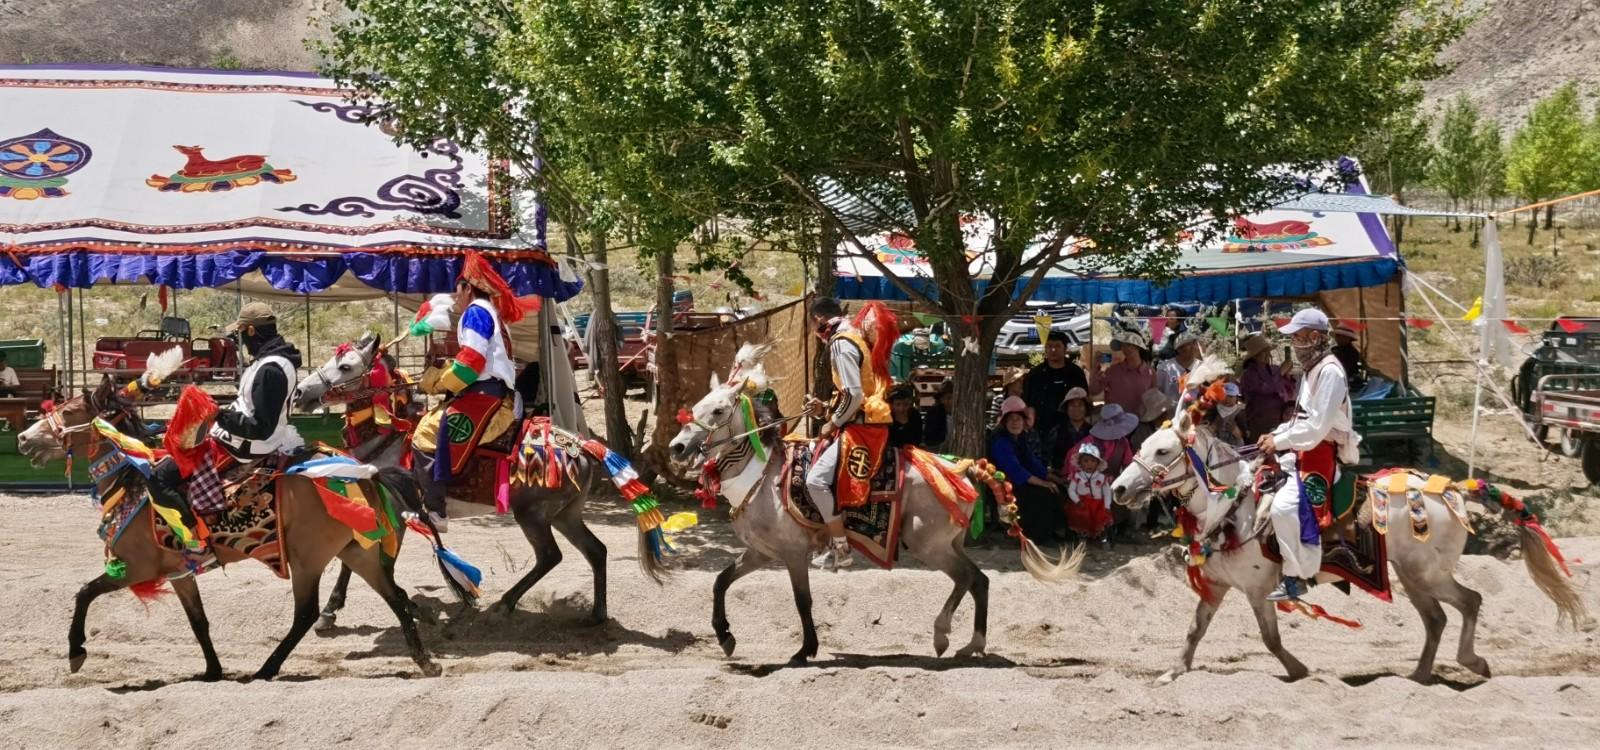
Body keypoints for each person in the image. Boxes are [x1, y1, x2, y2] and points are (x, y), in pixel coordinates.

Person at [147, 302, 303, 551]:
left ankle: (196, 540)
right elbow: (248, 408)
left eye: (240, 333)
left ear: (251, 331)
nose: (240, 340)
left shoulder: (270, 370)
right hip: (239, 438)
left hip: (245, 446)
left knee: (158, 477)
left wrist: (217, 415)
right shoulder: (269, 362)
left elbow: (260, 427)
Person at [413, 254, 537, 532]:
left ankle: (435, 511)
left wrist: (438, 382)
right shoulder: (490, 313)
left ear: (468, 287)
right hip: (490, 392)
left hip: (484, 396)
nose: (454, 296)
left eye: (457, 289)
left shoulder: (476, 312)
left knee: (425, 433)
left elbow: (471, 363)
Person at [1256, 308, 1360, 602]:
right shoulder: (1313, 369)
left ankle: (1297, 575)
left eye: (1298, 337)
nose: (1294, 343)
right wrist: (1275, 434)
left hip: (1319, 452)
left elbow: (1316, 429)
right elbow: (1300, 418)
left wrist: (1279, 441)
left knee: (1283, 508)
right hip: (1303, 446)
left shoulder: (1330, 372)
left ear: (1315, 337)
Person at [805, 298, 896, 571]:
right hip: (860, 422)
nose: (813, 330)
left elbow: (855, 396)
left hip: (861, 428)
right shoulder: (852, 337)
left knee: (815, 481)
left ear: (818, 319)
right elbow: (854, 394)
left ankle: (841, 548)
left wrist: (832, 422)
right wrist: (824, 409)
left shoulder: (841, 343)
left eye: (811, 324)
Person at [989, 396, 1062, 543]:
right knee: (1042, 494)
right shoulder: (1001, 441)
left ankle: (1052, 531)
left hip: (1019, 481)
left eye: (1018, 419)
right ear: (1004, 422)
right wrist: (1043, 483)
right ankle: (1035, 536)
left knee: (1056, 489)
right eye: (1011, 419)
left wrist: (1054, 478)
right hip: (1005, 486)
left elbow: (1032, 463)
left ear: (1024, 422)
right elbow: (1015, 470)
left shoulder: (1020, 439)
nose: (1015, 423)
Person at [1023, 331, 1088, 438]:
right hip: (1041, 431)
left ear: (1065, 349)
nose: (1053, 349)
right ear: (1045, 349)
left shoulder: (1075, 373)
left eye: (1057, 346)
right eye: (1049, 346)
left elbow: (1084, 401)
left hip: (1070, 431)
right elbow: (1028, 403)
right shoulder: (1035, 374)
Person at [1240, 333, 1296, 441]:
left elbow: (1288, 389)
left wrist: (1287, 376)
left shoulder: (1273, 369)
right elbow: (1267, 388)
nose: (1268, 354)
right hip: (1260, 421)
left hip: (1279, 418)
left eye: (1268, 351)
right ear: (1254, 356)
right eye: (1263, 352)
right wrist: (1281, 372)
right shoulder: (1248, 375)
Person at [1088, 329, 1155, 415]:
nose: (1125, 348)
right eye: (1122, 345)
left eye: (1128, 345)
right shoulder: (1113, 370)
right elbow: (1094, 390)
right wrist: (1095, 367)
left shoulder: (1150, 372)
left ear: (1138, 346)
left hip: (1141, 421)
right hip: (1116, 421)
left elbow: (1155, 400)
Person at [1063, 442, 1115, 544]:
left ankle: (1103, 537)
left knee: (1101, 519)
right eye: (1085, 461)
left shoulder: (1101, 477)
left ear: (1098, 463)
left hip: (1098, 504)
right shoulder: (1077, 476)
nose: (1089, 464)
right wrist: (1077, 500)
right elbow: (1071, 490)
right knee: (1082, 519)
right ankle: (1082, 537)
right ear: (1080, 463)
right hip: (1082, 503)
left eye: (1093, 461)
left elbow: (1107, 492)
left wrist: (1107, 505)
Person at [1047, 386, 1094, 472]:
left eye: (1080, 404)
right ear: (1067, 409)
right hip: (1061, 476)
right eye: (1072, 405)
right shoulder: (1057, 431)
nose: (1076, 408)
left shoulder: (1093, 432)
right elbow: (1047, 458)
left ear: (1086, 408)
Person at [1155, 330, 1202, 403]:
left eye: (1194, 343)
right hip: (1172, 409)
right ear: (1179, 349)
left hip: (1197, 408)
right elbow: (1157, 392)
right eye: (1189, 344)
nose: (1193, 347)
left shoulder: (1202, 366)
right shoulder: (1165, 368)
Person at [1331, 322, 1369, 393]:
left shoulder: (1351, 352)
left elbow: (1344, 368)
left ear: (1349, 338)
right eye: (1338, 336)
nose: (1339, 338)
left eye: (1342, 336)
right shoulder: (1334, 349)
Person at [887, 383, 924, 447]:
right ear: (891, 405)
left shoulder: (915, 415)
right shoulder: (887, 418)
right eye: (898, 404)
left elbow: (918, 437)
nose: (901, 408)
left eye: (905, 404)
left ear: (910, 404)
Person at [922, 378, 954, 450]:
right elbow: (931, 440)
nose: (951, 401)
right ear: (941, 399)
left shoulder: (960, 413)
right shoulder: (934, 414)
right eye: (948, 398)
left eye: (953, 398)